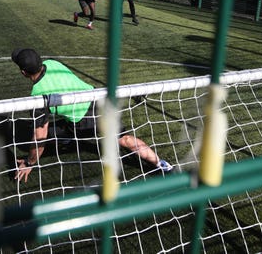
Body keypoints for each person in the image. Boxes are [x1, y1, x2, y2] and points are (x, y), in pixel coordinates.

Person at [11, 48, 174, 183]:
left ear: (24, 72)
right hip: (98, 100)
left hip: (85, 120)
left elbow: (40, 136)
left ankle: (71, 135)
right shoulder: (52, 63)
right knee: (124, 138)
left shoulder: (38, 96)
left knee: (45, 135)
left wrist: (29, 162)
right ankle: (163, 164)